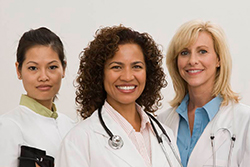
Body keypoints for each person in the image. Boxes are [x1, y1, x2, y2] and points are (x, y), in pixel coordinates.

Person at [56, 25, 182, 167]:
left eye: (137, 66)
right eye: (116, 67)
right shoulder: (79, 140)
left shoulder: (165, 134)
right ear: (100, 74)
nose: (127, 77)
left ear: (148, 73)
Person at [158, 19, 250, 167]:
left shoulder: (245, 121)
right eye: (184, 52)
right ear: (176, 61)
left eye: (202, 51)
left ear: (219, 59)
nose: (192, 60)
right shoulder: (162, 122)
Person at [0, 27, 75, 167]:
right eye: (33, 68)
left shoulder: (72, 127)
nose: (43, 77)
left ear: (63, 68)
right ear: (18, 70)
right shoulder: (7, 127)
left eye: (52, 67)